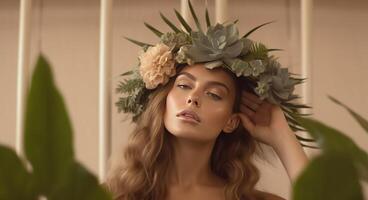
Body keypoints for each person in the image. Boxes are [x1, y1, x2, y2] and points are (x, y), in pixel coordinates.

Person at [107, 2, 309, 199]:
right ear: (164, 102)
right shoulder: (116, 194)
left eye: (213, 94)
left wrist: (282, 137)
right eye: (184, 86)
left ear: (231, 121)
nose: (193, 98)